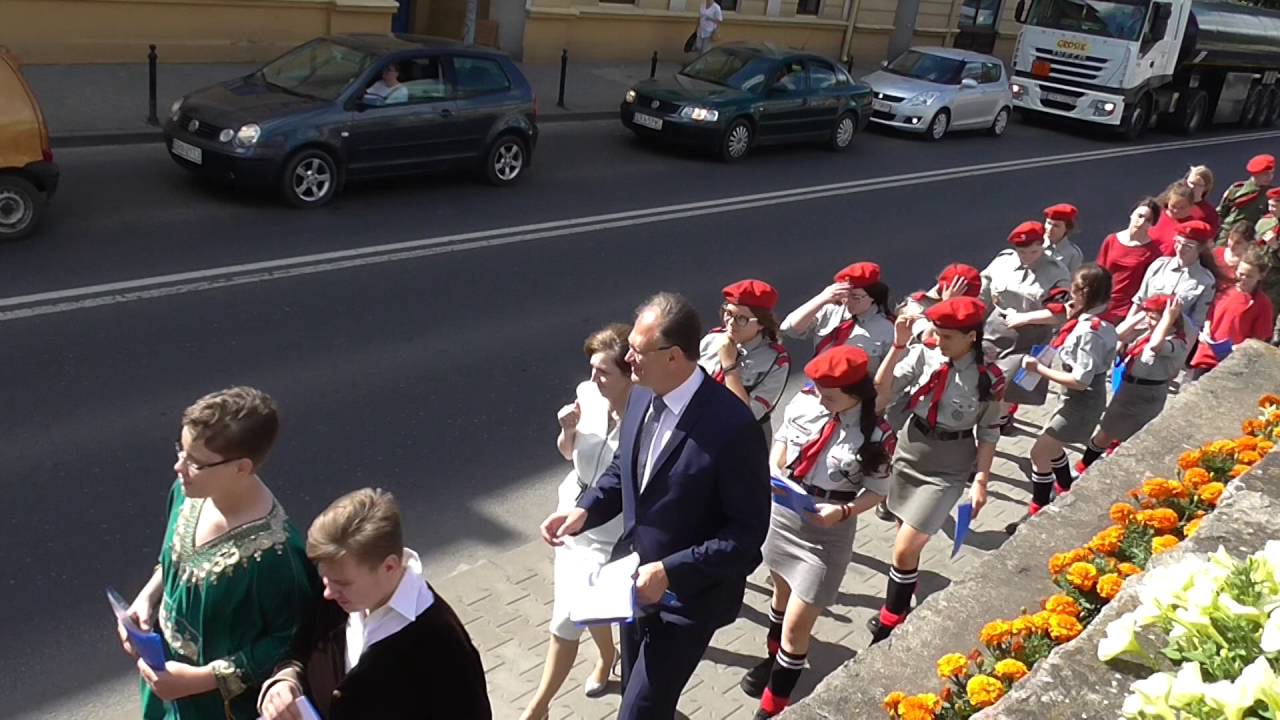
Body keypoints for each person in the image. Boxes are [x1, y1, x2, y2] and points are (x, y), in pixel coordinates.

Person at [539, 292, 770, 720]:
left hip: (687, 601)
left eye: (638, 351)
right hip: (628, 584)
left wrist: (670, 571)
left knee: (639, 712)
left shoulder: (732, 428)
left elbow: (747, 537)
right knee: (637, 691)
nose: (628, 359)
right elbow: (623, 472)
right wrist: (585, 510)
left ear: (675, 356)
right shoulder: (642, 396)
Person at [117, 387, 317, 720]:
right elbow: (176, 559)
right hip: (167, 687)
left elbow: (288, 643)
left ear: (241, 468)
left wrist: (200, 680)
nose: (178, 467)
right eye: (181, 450)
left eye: (195, 462)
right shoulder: (188, 494)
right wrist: (146, 599)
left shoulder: (276, 556)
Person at [740, 346, 893, 718]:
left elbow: (878, 490)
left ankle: (772, 707)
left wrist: (844, 510)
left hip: (827, 532)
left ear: (855, 394)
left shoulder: (877, 433)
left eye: (830, 395)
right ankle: (772, 660)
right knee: (780, 596)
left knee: (796, 626)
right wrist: (775, 466)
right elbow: (783, 438)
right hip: (785, 514)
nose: (820, 398)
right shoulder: (807, 402)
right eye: (818, 390)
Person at [257, 489, 491, 720]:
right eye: (325, 578)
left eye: (342, 583)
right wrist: (286, 679)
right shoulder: (336, 594)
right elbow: (301, 650)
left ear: (389, 567)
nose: (328, 592)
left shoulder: (443, 643)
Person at [867, 296, 1005, 644]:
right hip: (910, 451)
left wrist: (982, 479)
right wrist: (898, 346)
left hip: (949, 465)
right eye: (937, 333)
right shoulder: (922, 355)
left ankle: (891, 620)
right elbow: (880, 394)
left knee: (904, 547)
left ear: (970, 337)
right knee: (905, 539)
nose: (938, 342)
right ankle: (903, 597)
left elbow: (988, 431)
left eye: (947, 337)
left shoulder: (989, 378)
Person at [519, 325, 633, 720]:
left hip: (609, 530)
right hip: (570, 510)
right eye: (591, 369)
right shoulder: (588, 395)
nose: (593, 380)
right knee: (579, 603)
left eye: (604, 372)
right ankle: (607, 655)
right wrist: (567, 430)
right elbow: (569, 453)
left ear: (630, 372)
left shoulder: (647, 415)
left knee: (567, 618)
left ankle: (538, 707)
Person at [1014, 265, 1116, 517]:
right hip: (1074, 401)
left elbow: (1080, 380)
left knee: (1039, 452)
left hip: (1081, 403)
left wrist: (1038, 369)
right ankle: (1065, 486)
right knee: (1052, 447)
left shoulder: (1087, 333)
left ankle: (1039, 509)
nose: (1070, 295)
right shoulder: (1095, 322)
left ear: (1085, 292)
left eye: (1074, 290)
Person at [979, 221, 1071, 433]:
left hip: (1029, 340)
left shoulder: (1056, 272)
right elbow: (983, 293)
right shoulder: (1003, 261)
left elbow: (1059, 313)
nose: (1028, 256)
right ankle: (992, 421)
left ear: (1042, 245)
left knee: (1007, 389)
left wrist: (1025, 318)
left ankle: (992, 426)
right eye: (1022, 252)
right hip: (995, 333)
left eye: (1034, 251)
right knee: (983, 382)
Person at [1079, 294, 1187, 473]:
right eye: (1149, 318)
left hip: (1148, 395)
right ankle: (1083, 467)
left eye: (1154, 319)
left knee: (1133, 438)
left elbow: (1155, 347)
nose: (1150, 322)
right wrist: (1142, 314)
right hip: (1128, 389)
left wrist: (1167, 319)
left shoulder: (1176, 341)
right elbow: (1117, 334)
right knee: (1104, 432)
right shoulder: (1148, 332)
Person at [699, 280, 792, 444]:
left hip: (741, 439)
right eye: (728, 313)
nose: (731, 323)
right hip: (701, 426)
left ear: (761, 323)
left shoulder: (775, 361)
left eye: (741, 318)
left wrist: (729, 366)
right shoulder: (711, 340)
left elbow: (744, 415)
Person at [782, 261, 895, 373]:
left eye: (855, 297)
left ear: (873, 296)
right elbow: (790, 329)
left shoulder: (888, 328)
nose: (847, 301)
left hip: (860, 388)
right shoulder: (830, 309)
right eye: (844, 295)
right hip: (821, 384)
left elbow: (893, 373)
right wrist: (821, 298)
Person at [1121, 219, 1219, 335]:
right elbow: (1139, 301)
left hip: (1169, 339)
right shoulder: (1159, 265)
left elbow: (1196, 323)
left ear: (1200, 248)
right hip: (1140, 330)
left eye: (1188, 246)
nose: (1180, 249)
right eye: (1177, 242)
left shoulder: (1206, 280)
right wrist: (1124, 334)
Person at [1189, 249, 1275, 377]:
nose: (1243, 279)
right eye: (1241, 274)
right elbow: (1210, 313)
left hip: (1229, 362)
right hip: (1205, 355)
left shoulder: (1262, 304)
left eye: (1249, 276)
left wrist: (1238, 349)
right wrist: (1206, 329)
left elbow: (1259, 339)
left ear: (1261, 276)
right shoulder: (1225, 288)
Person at [1097, 198, 1163, 324]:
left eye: (1148, 220)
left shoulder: (1153, 252)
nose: (1142, 221)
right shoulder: (1111, 240)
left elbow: (1148, 287)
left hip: (1126, 310)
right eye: (1140, 216)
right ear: (1132, 214)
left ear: (1152, 224)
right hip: (1102, 304)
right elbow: (1099, 272)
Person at [1216, 154, 1275, 244]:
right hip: (1228, 234)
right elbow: (1221, 212)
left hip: (1250, 238)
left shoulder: (1271, 194)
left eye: (1272, 173)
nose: (1270, 177)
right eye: (1265, 174)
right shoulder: (1237, 189)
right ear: (1255, 174)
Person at [1149, 182, 1198, 256]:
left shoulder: (1192, 227)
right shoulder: (1155, 214)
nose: (1176, 211)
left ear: (1191, 207)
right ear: (1168, 201)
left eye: (1182, 208)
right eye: (1173, 206)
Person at [1043, 203, 1084, 274]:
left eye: (1056, 226)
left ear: (1067, 228)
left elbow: (1074, 281)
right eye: (1048, 223)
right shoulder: (1035, 245)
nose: (1050, 229)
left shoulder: (1073, 254)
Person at [1212, 221, 1255, 286]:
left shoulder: (1247, 265)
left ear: (1249, 244)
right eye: (1231, 239)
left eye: (1238, 243)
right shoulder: (1215, 253)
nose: (1232, 245)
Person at [1185, 165, 1221, 235]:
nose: (1192, 187)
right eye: (1191, 182)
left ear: (1205, 188)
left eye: (1197, 185)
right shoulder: (1175, 202)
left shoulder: (1209, 213)